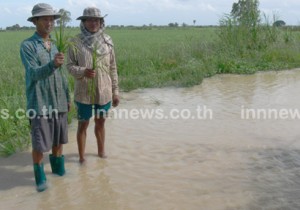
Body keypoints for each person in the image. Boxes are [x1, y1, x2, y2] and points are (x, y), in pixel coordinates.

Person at [20, 3, 70, 192]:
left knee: (58, 141)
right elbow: (33, 73)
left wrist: (67, 96)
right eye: (45, 19)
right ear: (35, 21)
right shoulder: (28, 45)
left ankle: (59, 174)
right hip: (40, 103)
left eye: (52, 19)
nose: (49, 23)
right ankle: (40, 181)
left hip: (59, 101)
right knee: (40, 144)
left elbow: (62, 74)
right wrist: (52, 65)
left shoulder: (56, 44)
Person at [67, 7, 119, 163]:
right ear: (83, 22)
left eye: (96, 20)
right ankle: (82, 157)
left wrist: (116, 91)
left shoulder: (107, 40)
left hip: (104, 91)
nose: (93, 23)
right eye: (89, 20)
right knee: (83, 123)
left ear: (101, 22)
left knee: (101, 122)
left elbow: (113, 67)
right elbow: (69, 66)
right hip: (84, 92)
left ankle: (101, 152)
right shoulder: (75, 42)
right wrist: (83, 71)